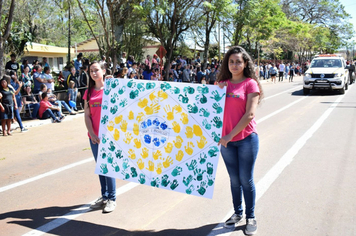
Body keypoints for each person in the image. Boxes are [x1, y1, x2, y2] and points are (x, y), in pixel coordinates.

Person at [217, 46, 263, 235]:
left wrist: (230, 135)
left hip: (246, 140)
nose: (235, 65)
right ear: (227, 64)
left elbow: (250, 114)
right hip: (226, 143)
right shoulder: (222, 84)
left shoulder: (250, 84)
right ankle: (237, 213)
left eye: (238, 61)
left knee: (246, 179)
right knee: (234, 180)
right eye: (231, 61)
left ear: (245, 64)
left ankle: (250, 217)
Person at [84, 61, 116, 213]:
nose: (94, 73)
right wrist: (92, 133)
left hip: (108, 136)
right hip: (94, 137)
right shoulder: (89, 92)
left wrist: (114, 82)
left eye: (96, 70)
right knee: (101, 167)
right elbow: (87, 115)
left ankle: (112, 199)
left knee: (109, 167)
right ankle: (104, 196)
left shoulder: (111, 88)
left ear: (103, 71)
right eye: (91, 71)